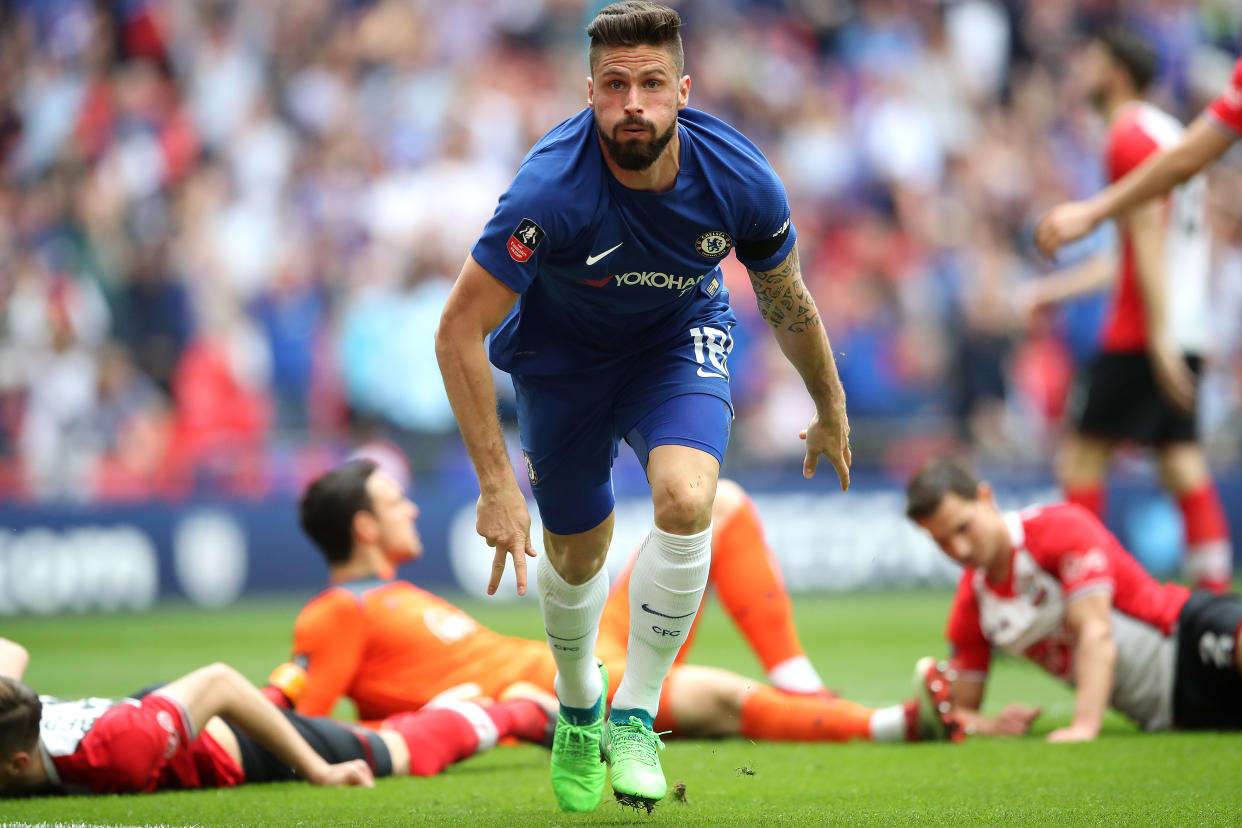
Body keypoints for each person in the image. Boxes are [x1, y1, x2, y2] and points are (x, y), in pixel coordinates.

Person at [433, 1, 851, 812]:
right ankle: (580, 702)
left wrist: (828, 405)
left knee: (689, 499)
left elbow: (788, 300)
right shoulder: (548, 191)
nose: (633, 103)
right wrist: (494, 484)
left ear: (682, 91)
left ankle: (635, 713)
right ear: (589, 92)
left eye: (651, 84)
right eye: (614, 84)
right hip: (562, 365)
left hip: (675, 341)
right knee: (580, 554)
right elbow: (457, 331)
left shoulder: (742, 181)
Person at [269, 461, 955, 806]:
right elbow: (298, 725)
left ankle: (802, 684)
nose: (411, 507)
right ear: (364, 528)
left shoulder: (391, 597)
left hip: (584, 648)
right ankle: (893, 725)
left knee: (721, 502)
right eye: (394, 502)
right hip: (579, 688)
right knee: (714, 695)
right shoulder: (339, 612)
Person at [1020, 29, 1231, 592]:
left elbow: (1145, 234)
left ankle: (1083, 592)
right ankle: (1213, 601)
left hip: (1143, 327)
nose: (1079, 73)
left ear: (1114, 73)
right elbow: (1131, 251)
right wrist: (1053, 292)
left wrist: (1157, 336)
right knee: (1180, 462)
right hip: (1185, 321)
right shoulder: (1166, 131)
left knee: (1081, 462)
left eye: (1089, 61)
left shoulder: (1126, 136)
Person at [905, 457, 1242, 742]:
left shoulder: (1058, 529)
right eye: (943, 542)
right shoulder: (973, 602)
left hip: (1184, 636)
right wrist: (993, 726)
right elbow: (960, 711)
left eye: (964, 528)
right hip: (1172, 714)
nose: (959, 549)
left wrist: (1084, 725)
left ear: (986, 497)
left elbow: (1097, 633)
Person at [0, 639, 552, 798]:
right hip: (165, 715)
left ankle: (518, 712)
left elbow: (216, 681)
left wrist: (318, 771)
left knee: (400, 754)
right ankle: (279, 694)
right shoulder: (13, 716)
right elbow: (10, 652)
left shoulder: (122, 750)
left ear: (18, 763)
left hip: (229, 743)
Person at [1035, 52, 1242, 257]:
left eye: (1092, 63)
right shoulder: (1160, 128)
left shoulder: (1131, 136)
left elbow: (1148, 231)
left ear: (1117, 76)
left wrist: (1092, 213)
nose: (1082, 71)